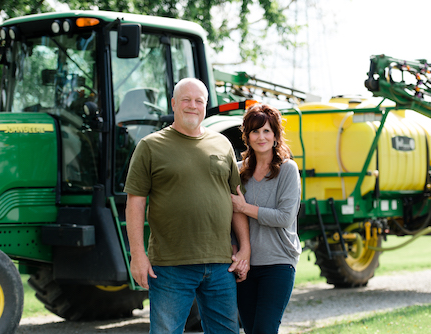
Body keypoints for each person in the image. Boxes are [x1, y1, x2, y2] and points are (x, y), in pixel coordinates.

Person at [124, 78, 250, 334]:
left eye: (199, 101)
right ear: (173, 104)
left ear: (205, 106)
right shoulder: (150, 146)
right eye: (186, 100)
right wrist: (137, 255)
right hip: (171, 266)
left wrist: (245, 248)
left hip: (220, 263)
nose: (192, 106)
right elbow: (135, 203)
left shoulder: (222, 144)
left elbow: (236, 201)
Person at [231, 103, 302, 334]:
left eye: (266, 131)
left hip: (278, 262)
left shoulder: (288, 170)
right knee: (251, 330)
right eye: (255, 131)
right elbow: (230, 215)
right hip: (246, 265)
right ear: (247, 136)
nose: (260, 136)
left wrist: (245, 207)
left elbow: (284, 217)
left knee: (264, 329)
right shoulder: (239, 171)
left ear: (275, 136)